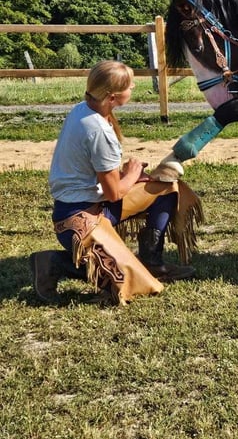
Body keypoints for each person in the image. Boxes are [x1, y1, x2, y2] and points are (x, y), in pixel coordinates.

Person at [29, 60, 203, 305]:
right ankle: (53, 262)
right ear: (112, 97)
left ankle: (153, 261)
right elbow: (114, 194)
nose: (133, 87)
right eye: (129, 86)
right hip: (78, 222)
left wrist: (129, 177)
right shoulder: (99, 130)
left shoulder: (83, 108)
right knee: (135, 280)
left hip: (89, 207)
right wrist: (132, 173)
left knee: (167, 187)